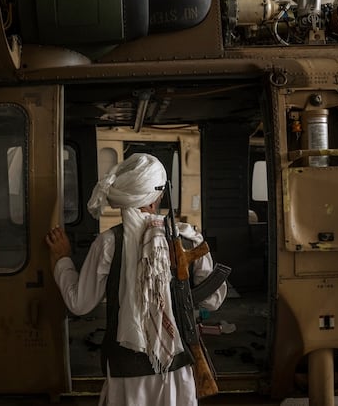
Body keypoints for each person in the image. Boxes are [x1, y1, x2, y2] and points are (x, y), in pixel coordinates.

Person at [45, 153, 226, 406]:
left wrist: (63, 259)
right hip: (176, 365)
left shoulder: (108, 243)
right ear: (157, 196)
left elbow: (80, 304)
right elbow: (212, 301)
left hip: (125, 370)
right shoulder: (188, 237)